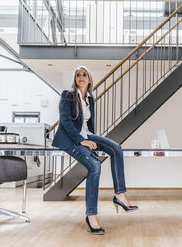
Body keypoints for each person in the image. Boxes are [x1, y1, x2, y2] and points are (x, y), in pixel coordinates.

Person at [52, 65, 138, 235]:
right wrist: (81, 141)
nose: (81, 77)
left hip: (86, 135)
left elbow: (87, 125)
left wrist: (92, 140)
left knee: (116, 148)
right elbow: (66, 121)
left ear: (89, 79)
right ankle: (91, 215)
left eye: (84, 75)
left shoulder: (90, 99)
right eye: (78, 75)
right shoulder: (67, 95)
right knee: (95, 166)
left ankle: (120, 194)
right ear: (75, 79)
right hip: (70, 139)